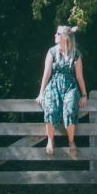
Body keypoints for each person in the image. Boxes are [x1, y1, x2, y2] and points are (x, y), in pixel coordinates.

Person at [37, 23, 87, 157]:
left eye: (58, 34)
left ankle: (71, 142)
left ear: (65, 37)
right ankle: (50, 139)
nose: (55, 35)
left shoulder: (75, 54)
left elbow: (79, 77)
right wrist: (41, 93)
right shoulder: (52, 52)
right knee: (51, 108)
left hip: (70, 87)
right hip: (54, 85)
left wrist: (84, 94)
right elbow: (46, 73)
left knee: (70, 109)